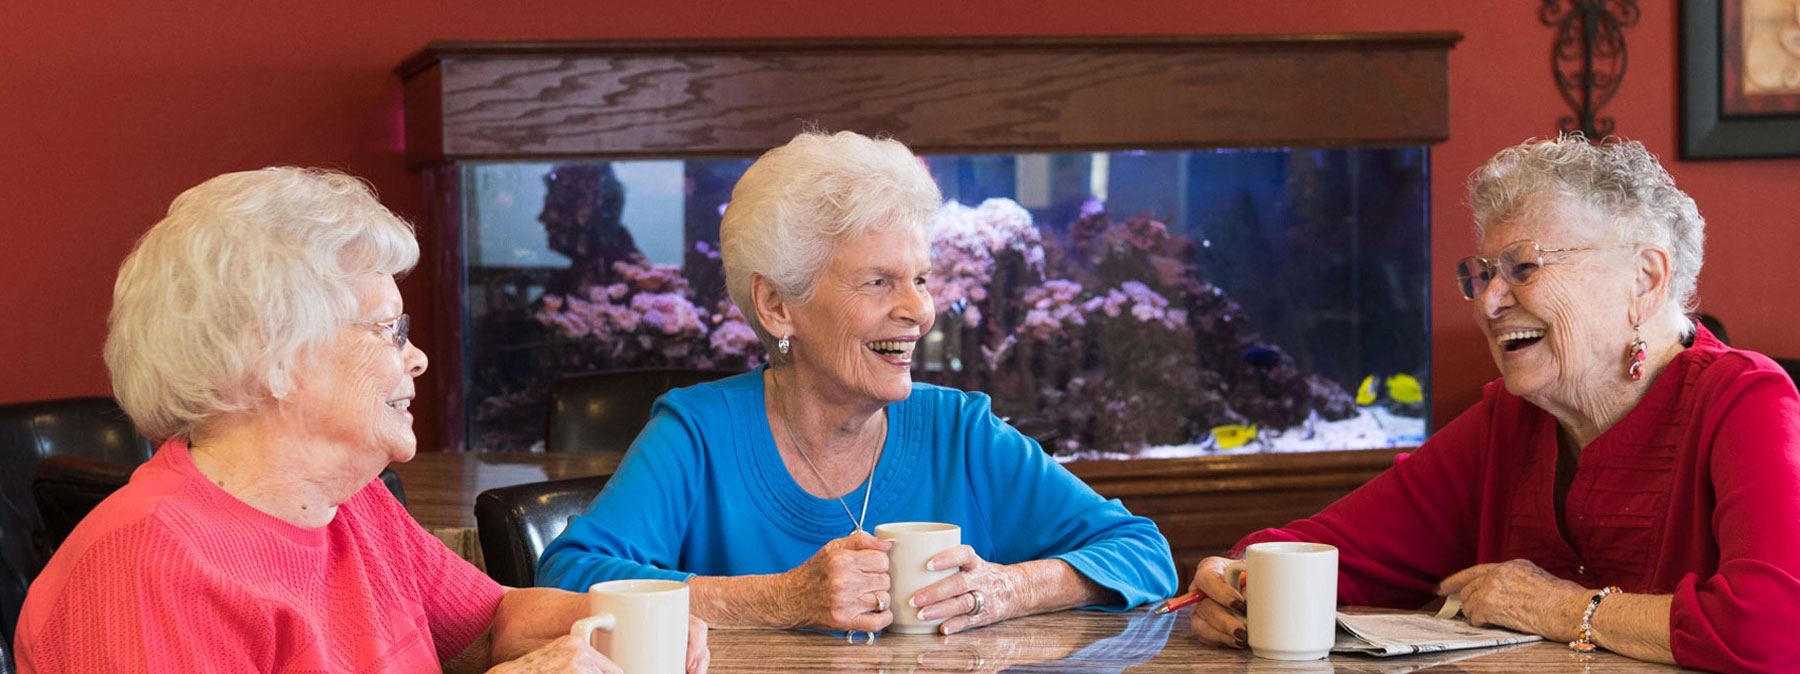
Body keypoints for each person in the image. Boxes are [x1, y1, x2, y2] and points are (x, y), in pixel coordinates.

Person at [13, 168, 709, 674]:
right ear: (273, 355)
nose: (420, 358)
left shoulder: (354, 505)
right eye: (388, 328)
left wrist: (631, 630)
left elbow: (489, 626)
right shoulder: (146, 568)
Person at [1185, 136, 1800, 673]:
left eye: (1522, 268)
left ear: (1644, 278)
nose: (1487, 303)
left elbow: (1775, 626)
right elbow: (1334, 551)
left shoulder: (1743, 399)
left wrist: (1559, 608)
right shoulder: (1509, 420)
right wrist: (1238, 577)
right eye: (1481, 274)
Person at [537, 130, 1177, 634]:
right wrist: (781, 597)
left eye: (921, 279)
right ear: (777, 306)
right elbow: (567, 578)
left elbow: (1142, 552)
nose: (919, 310)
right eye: (879, 282)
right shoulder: (697, 433)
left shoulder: (960, 429)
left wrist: (1010, 588)